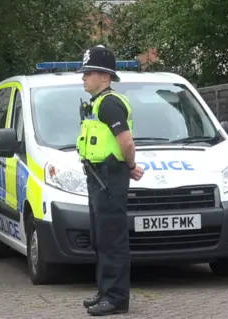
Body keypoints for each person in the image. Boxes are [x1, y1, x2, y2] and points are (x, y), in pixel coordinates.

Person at [75, 45, 144, 316]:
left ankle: (116, 298)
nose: (83, 77)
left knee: (112, 240)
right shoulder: (98, 103)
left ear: (105, 77)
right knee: (101, 238)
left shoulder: (110, 104)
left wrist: (130, 166)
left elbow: (126, 142)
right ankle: (105, 291)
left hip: (109, 179)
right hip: (99, 177)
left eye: (88, 73)